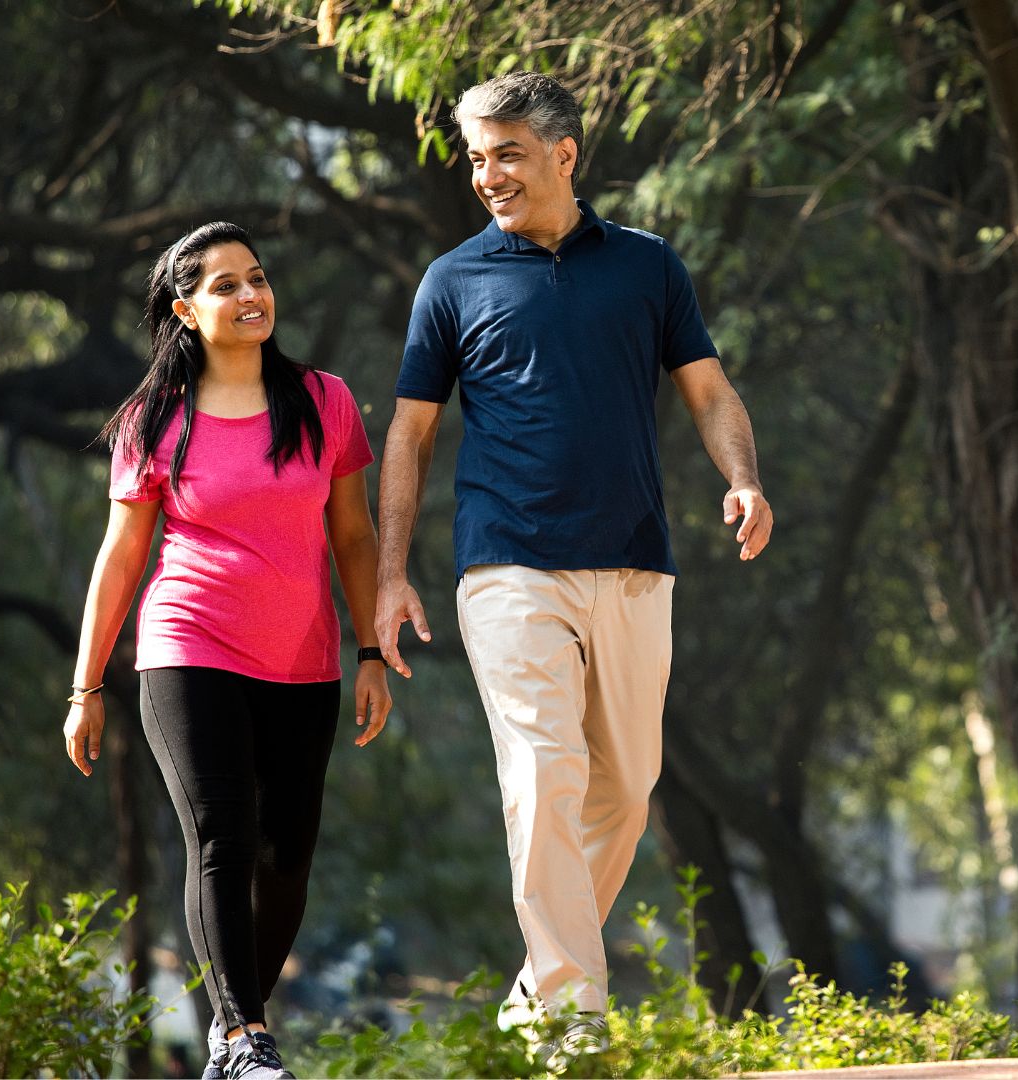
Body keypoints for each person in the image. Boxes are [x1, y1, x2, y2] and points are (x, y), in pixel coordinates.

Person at [372, 71, 774, 1063]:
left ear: (564, 154)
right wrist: (390, 573)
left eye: (506, 153)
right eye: (477, 159)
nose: (487, 176)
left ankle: (530, 1001)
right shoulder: (452, 281)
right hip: (506, 564)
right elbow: (409, 435)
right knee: (544, 775)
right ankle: (567, 1029)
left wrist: (744, 479)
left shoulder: (647, 266)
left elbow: (710, 391)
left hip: (635, 563)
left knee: (624, 794)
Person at [62, 222, 390, 1080]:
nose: (251, 296)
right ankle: (246, 1038)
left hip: (303, 659)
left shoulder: (323, 400)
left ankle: (231, 1033)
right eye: (226, 285)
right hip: (188, 644)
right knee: (222, 836)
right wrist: (85, 687)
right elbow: (122, 556)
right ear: (184, 310)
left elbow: (354, 536)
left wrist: (371, 651)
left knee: (287, 856)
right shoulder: (153, 420)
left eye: (258, 278)